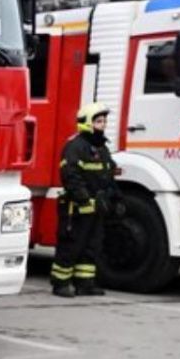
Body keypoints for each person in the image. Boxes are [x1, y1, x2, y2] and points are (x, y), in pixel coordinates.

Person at [52, 102, 120, 298]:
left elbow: (108, 174)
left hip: (96, 207)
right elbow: (70, 175)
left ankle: (85, 284)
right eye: (99, 121)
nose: (103, 124)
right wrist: (85, 199)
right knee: (71, 246)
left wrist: (115, 198)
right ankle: (60, 283)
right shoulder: (75, 146)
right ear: (87, 123)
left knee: (92, 247)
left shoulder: (101, 148)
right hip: (77, 208)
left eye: (104, 120)